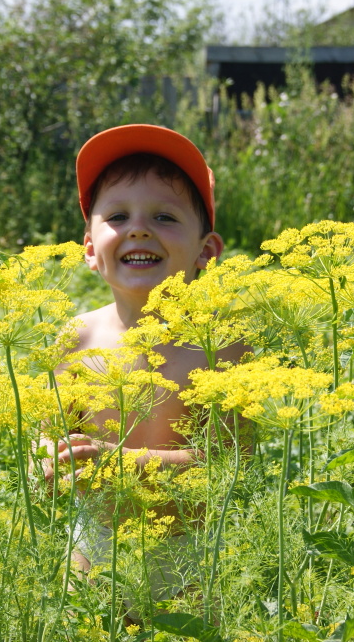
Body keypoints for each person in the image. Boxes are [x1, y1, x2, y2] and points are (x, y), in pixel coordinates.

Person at [41, 123, 243, 602]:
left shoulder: (223, 347)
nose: (138, 227)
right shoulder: (75, 338)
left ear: (206, 252)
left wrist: (120, 465)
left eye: (164, 216)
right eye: (117, 216)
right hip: (92, 558)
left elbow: (230, 467)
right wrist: (48, 459)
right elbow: (48, 436)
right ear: (90, 249)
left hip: (190, 564)